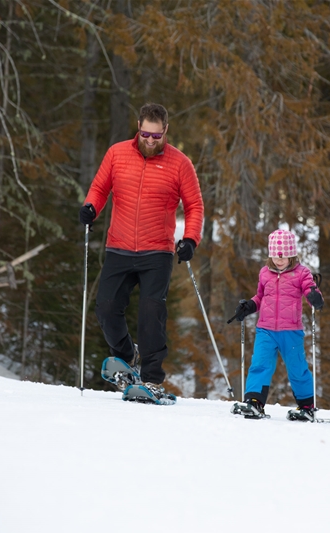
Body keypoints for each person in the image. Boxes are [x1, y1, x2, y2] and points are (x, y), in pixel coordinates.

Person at [79, 103, 204, 402]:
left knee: (151, 313)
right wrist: (90, 208)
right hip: (119, 246)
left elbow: (195, 206)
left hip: (156, 251)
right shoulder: (117, 153)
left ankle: (151, 379)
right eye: (145, 133)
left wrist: (190, 239)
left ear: (165, 131)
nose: (150, 140)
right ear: (138, 127)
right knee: (106, 308)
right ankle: (125, 356)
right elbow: (100, 187)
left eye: (156, 136)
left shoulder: (180, 163)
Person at [231, 229, 324, 421]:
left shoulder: (301, 273)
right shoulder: (265, 273)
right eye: (275, 256)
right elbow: (260, 296)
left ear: (292, 254)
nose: (279, 260)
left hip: (291, 330)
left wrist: (314, 297)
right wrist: (249, 306)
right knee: (259, 364)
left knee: (297, 368)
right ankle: (254, 402)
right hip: (265, 329)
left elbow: (309, 288)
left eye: (283, 256)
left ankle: (306, 405)